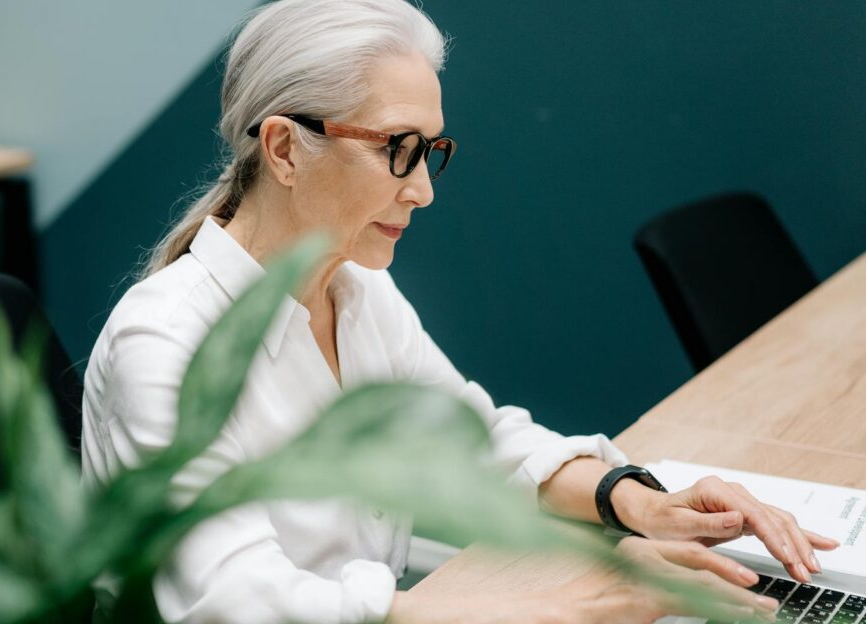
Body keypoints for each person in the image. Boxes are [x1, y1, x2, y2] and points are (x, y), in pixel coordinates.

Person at [79, 1, 838, 621]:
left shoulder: (355, 289)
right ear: (282, 148)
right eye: (398, 150)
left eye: (431, 152)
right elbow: (237, 605)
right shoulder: (168, 345)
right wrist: (557, 606)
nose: (423, 190)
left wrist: (638, 501)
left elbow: (472, 442)